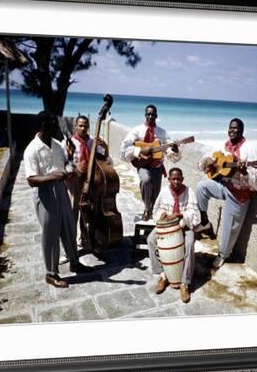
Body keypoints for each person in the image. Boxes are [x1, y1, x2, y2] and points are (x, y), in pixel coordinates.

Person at [23, 112, 93, 288]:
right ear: (43, 126)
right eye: (53, 124)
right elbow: (32, 180)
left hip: (61, 189)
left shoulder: (56, 145)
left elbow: (66, 164)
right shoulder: (32, 149)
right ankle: (51, 273)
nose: (57, 127)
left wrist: (72, 170)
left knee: (68, 227)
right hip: (45, 194)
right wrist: (53, 176)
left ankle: (75, 262)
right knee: (51, 234)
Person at [195, 118, 257, 269]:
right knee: (201, 187)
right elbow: (209, 159)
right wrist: (211, 164)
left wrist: (244, 171)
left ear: (242, 131)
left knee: (230, 226)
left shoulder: (249, 149)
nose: (232, 131)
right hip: (224, 185)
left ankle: (222, 255)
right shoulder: (224, 145)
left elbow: (255, 179)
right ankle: (205, 221)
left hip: (239, 194)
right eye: (230, 128)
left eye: (236, 129)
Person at [120, 104, 181, 221]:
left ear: (156, 116)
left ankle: (152, 211)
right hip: (142, 165)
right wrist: (139, 151)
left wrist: (174, 149)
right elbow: (124, 147)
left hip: (157, 167)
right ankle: (147, 209)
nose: (150, 116)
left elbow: (169, 150)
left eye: (153, 114)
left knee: (155, 194)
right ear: (145, 115)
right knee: (146, 181)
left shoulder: (162, 132)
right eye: (148, 114)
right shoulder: (137, 130)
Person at [146, 167, 198, 303]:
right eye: (173, 179)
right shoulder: (164, 191)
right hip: (167, 226)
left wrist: (180, 214)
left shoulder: (189, 192)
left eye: (179, 179)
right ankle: (163, 275)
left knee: (189, 243)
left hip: (183, 225)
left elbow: (194, 212)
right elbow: (156, 209)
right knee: (151, 240)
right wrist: (161, 215)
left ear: (182, 179)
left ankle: (185, 283)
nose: (176, 181)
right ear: (168, 179)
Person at [62, 115, 111, 250]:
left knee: (88, 212)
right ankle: (70, 245)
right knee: (73, 212)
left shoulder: (92, 143)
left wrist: (105, 147)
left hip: (90, 181)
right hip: (74, 181)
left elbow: (104, 160)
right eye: (81, 125)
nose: (83, 128)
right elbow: (63, 162)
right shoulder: (69, 142)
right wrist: (75, 167)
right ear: (76, 126)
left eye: (85, 126)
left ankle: (84, 239)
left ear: (89, 127)